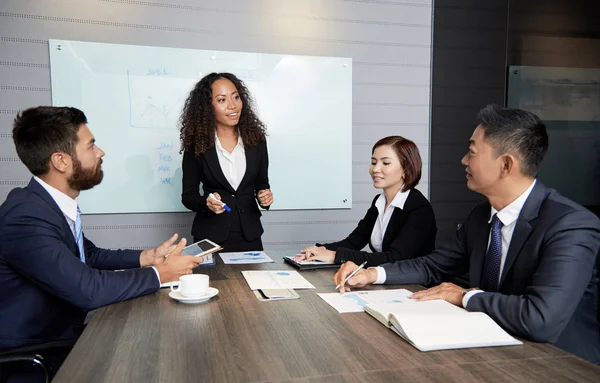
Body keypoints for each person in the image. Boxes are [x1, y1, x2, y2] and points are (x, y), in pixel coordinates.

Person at [334, 104, 600, 364]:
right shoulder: (480, 216)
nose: (463, 160)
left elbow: (541, 319)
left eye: (472, 152)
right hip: (490, 349)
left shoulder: (570, 225)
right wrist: (372, 274)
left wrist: (463, 295)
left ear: (506, 165)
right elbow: (432, 266)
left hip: (561, 365)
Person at [0, 106, 202, 383]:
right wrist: (160, 274)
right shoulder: (25, 217)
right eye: (91, 145)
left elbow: (87, 255)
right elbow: (88, 289)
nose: (101, 152)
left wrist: (146, 257)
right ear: (61, 161)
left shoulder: (44, 204)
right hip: (34, 358)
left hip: (63, 337)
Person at [296, 136, 436, 267]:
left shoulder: (419, 208)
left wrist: (334, 256)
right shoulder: (379, 202)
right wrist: (319, 250)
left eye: (385, 163)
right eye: (373, 162)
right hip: (384, 280)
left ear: (406, 169)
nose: (375, 169)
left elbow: (394, 258)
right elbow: (353, 242)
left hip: (415, 286)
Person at [180, 72, 273, 252]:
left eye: (236, 97)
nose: (232, 105)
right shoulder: (196, 144)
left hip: (250, 235)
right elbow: (188, 197)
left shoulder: (256, 140)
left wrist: (265, 197)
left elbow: (262, 185)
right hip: (210, 237)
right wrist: (206, 203)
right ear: (208, 107)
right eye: (222, 100)